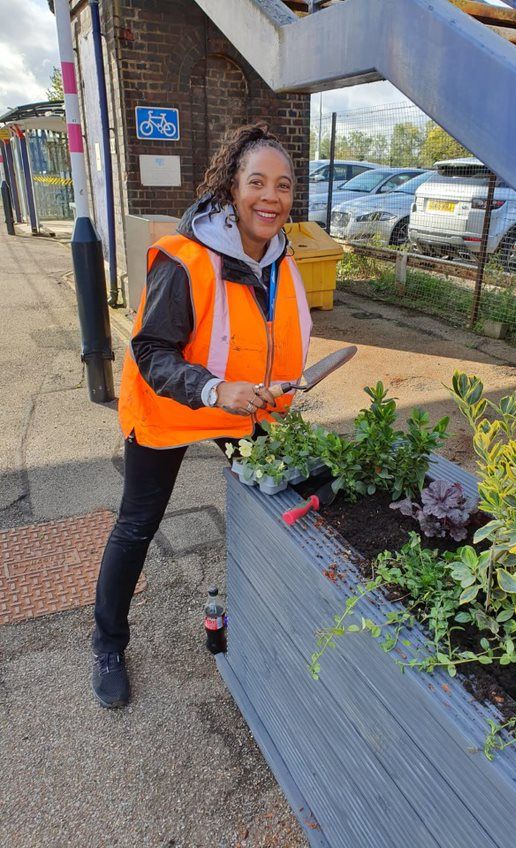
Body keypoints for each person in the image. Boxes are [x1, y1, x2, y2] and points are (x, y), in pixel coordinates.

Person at [91, 123, 311, 708]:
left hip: (243, 407)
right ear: (231, 188)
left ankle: (264, 616)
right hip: (172, 407)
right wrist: (215, 389)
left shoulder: (281, 261)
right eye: (257, 182)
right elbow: (150, 351)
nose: (271, 196)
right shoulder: (185, 260)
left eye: (283, 186)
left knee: (283, 494)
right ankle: (106, 643)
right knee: (137, 524)